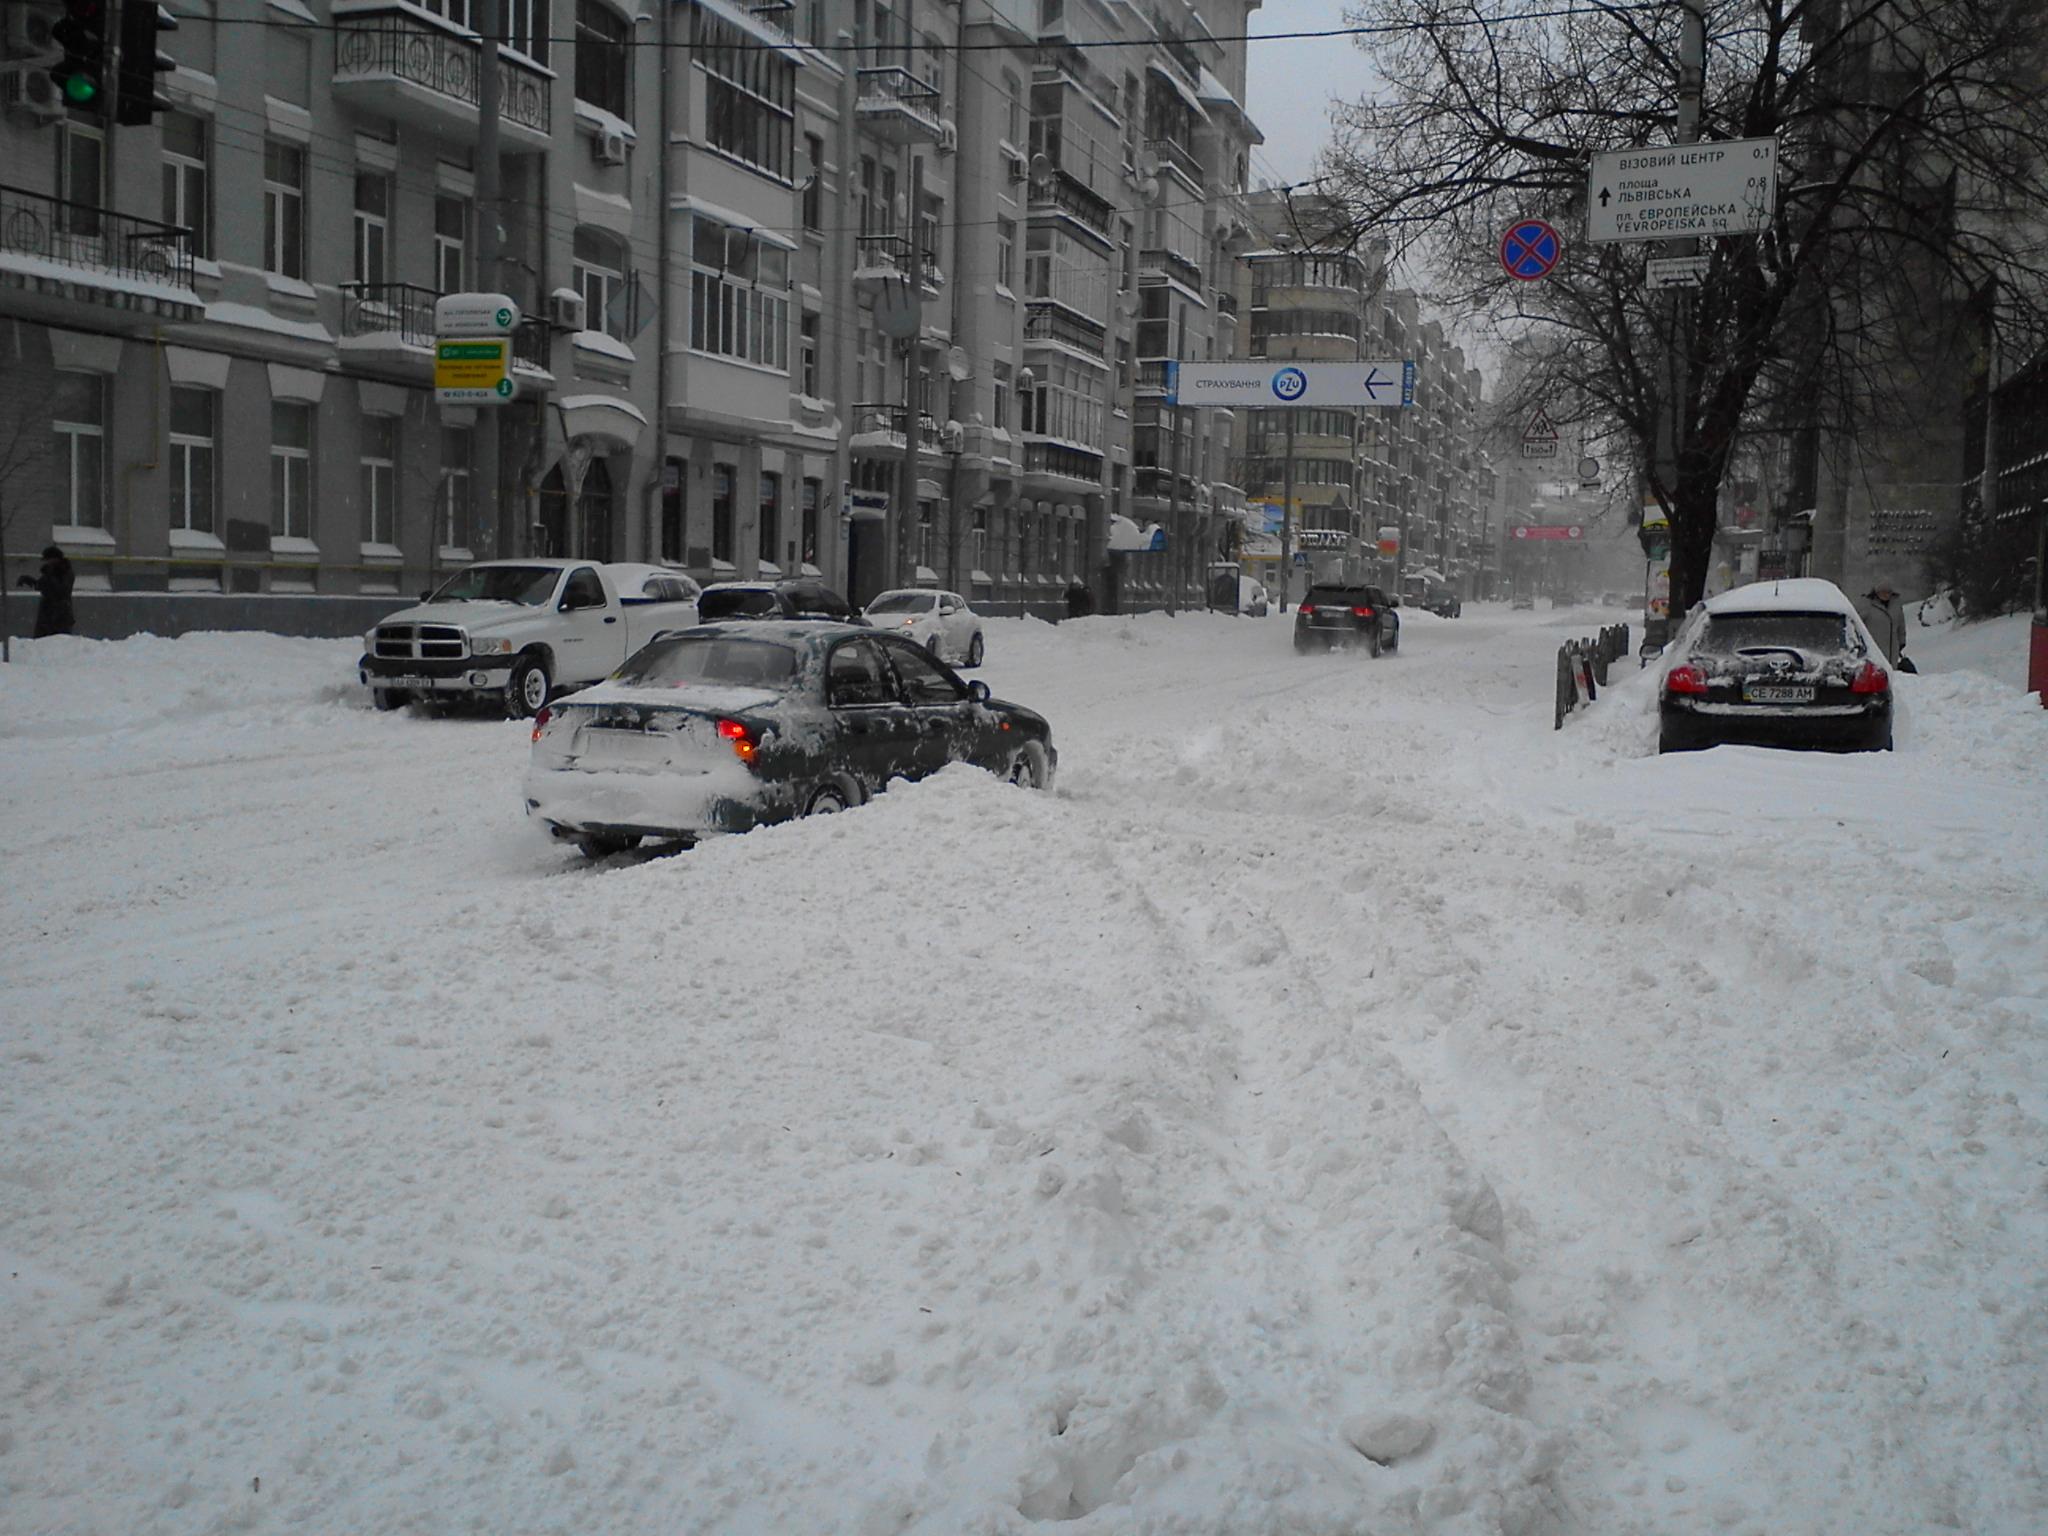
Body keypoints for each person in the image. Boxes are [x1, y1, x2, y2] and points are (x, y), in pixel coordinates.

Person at [17, 545, 75, 638]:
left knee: (59, 644)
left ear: (56, 559)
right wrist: (29, 580)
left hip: (61, 616)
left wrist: (49, 575)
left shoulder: (65, 571)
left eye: (49, 560)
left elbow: (62, 591)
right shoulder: (50, 571)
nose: (47, 563)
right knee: (41, 643)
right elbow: (42, 586)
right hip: (47, 615)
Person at [1855, 580, 1903, 666]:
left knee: (1891, 673)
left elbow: (1901, 624)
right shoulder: (1866, 604)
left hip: (1892, 650)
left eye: (1888, 592)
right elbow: (1856, 623)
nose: (1885, 594)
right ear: (1876, 592)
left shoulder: (1896, 604)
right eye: (1882, 592)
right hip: (1873, 648)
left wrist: (1902, 641)